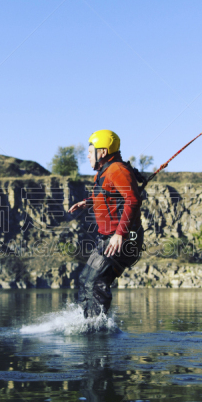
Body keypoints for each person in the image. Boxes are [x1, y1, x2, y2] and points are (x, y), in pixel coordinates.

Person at [68, 130, 144, 318]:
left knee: (96, 282)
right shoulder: (104, 172)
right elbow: (110, 196)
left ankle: (96, 327)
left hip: (122, 239)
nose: (87, 155)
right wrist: (89, 202)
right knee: (85, 279)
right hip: (107, 239)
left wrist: (120, 234)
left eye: (90, 150)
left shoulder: (117, 170)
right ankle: (84, 321)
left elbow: (132, 200)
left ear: (102, 152)